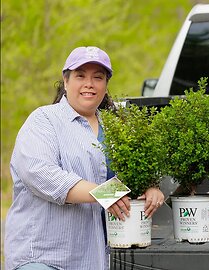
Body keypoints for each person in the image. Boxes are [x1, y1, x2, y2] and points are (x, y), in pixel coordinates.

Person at [4, 46, 165, 270]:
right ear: (66, 80)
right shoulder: (43, 120)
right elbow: (39, 173)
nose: (89, 84)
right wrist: (106, 194)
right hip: (44, 256)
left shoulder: (115, 128)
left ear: (106, 85)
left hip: (93, 257)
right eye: (80, 76)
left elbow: (130, 174)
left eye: (98, 77)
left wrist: (151, 187)